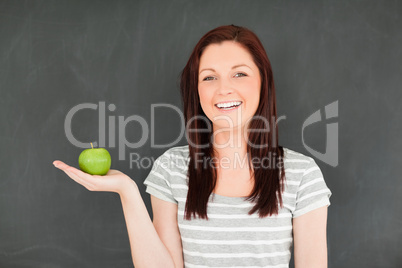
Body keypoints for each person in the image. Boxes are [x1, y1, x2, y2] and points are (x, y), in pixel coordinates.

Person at [53, 25, 332, 268]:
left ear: (263, 82)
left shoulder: (302, 174)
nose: (224, 89)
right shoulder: (170, 170)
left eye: (239, 74)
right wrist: (127, 192)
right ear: (196, 91)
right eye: (209, 77)